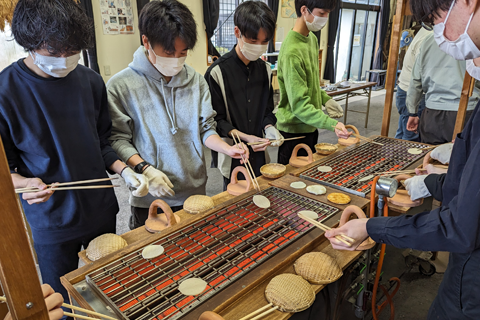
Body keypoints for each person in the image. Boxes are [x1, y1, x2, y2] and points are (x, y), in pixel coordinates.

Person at [325, 1, 480, 319]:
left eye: (438, 18)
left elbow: (459, 228)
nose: (439, 33)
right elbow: (469, 186)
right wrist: (431, 182)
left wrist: (371, 227)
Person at [0, 1, 148, 318]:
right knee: (61, 304)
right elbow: (5, 172)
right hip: (51, 222)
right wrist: (25, 184)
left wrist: (126, 172)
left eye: (73, 50)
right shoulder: (5, 91)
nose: (65, 58)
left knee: (110, 291)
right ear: (29, 42)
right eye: (55, 50)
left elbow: (102, 142)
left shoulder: (91, 82)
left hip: (101, 210)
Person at [107, 0, 248, 230]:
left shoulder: (196, 81)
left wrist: (226, 148)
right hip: (150, 196)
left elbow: (205, 128)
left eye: (182, 53)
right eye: (169, 52)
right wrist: (145, 169)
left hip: (194, 191)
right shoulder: (121, 86)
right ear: (146, 42)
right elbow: (117, 139)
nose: (176, 60)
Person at [205, 1, 280, 189]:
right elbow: (216, 121)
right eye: (254, 41)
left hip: (260, 153)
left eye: (264, 42)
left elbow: (267, 110)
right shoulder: (217, 72)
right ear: (237, 32)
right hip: (233, 154)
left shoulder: (265, 69)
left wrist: (269, 126)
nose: (259, 47)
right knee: (235, 204)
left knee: (263, 199)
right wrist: (245, 137)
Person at [275, 0, 350, 165]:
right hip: (293, 131)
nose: (325, 19)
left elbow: (311, 85)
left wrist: (325, 99)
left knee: (307, 174)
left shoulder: (311, 40)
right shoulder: (291, 51)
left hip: (309, 125)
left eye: (328, 14)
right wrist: (332, 124)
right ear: (304, 10)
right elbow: (299, 105)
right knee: (290, 182)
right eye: (322, 14)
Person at [405, 32, 480, 145]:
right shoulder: (473, 39)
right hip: (466, 111)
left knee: (430, 157)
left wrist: (412, 112)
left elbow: (416, 80)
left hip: (432, 113)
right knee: (462, 158)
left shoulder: (428, 40)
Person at [395, 26, 431, 141]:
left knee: (402, 135)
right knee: (411, 139)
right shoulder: (429, 37)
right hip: (413, 94)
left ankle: (395, 158)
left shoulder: (425, 31)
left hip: (407, 91)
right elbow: (420, 75)